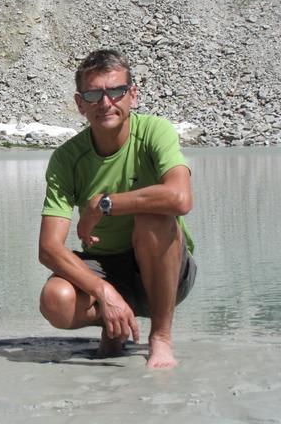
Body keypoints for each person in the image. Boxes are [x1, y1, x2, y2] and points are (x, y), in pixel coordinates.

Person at [38, 49, 197, 369]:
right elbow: (48, 248)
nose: (106, 102)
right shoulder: (67, 159)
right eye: (93, 94)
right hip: (106, 266)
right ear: (80, 103)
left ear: (132, 95)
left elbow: (180, 199)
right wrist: (103, 290)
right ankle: (115, 325)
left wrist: (103, 205)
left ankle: (160, 337)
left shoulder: (154, 132)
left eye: (116, 91)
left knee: (153, 218)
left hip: (166, 269)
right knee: (55, 299)